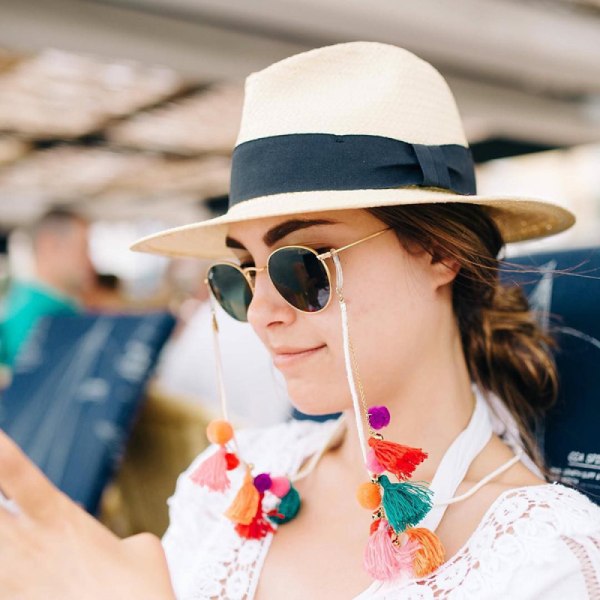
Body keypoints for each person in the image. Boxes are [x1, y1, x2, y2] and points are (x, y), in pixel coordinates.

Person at [0, 41, 599, 599]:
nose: (260, 314)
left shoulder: (547, 559)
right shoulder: (234, 485)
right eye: (242, 273)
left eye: (303, 266)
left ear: (439, 252)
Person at [0, 207, 94, 367]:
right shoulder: (37, 314)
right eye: (83, 248)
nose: (89, 261)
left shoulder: (37, 304)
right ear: (50, 245)